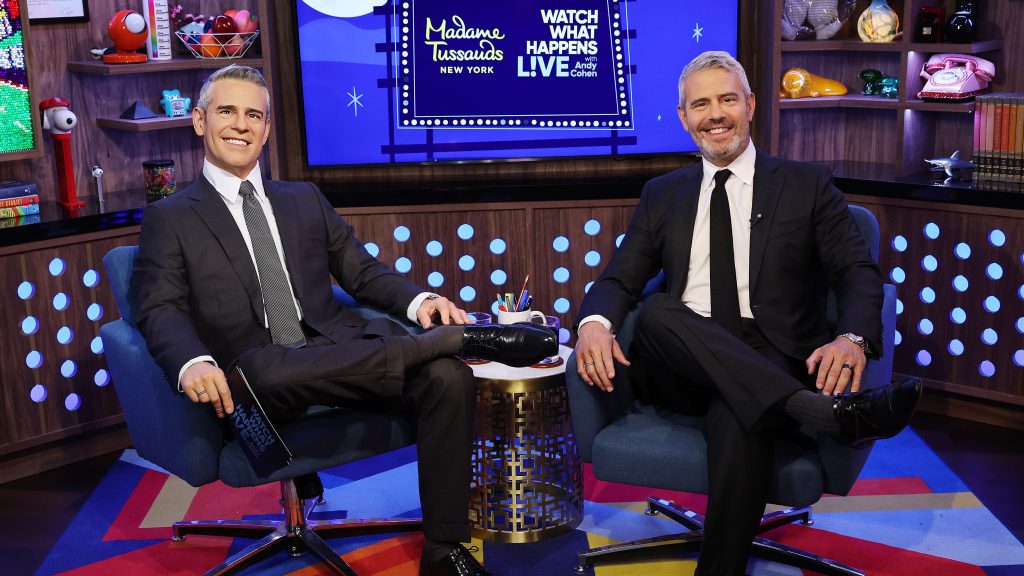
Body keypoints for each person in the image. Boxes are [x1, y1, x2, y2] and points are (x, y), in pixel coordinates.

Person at [130, 65, 555, 576]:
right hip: (255, 379)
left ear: (266, 130)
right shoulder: (171, 216)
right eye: (226, 111)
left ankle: (444, 550)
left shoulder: (303, 198)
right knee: (266, 370)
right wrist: (193, 361)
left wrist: (420, 302)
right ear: (199, 121)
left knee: (448, 377)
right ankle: (457, 339)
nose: (240, 125)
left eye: (253, 115)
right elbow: (160, 307)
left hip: (340, 354)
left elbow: (362, 272)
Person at [573, 51, 921, 576]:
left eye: (727, 99)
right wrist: (594, 324)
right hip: (679, 360)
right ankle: (820, 414)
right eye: (701, 104)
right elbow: (619, 277)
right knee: (659, 311)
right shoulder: (661, 194)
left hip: (774, 354)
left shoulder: (806, 185)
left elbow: (857, 272)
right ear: (684, 117)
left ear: (750, 105)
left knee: (740, 413)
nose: (715, 114)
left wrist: (852, 337)